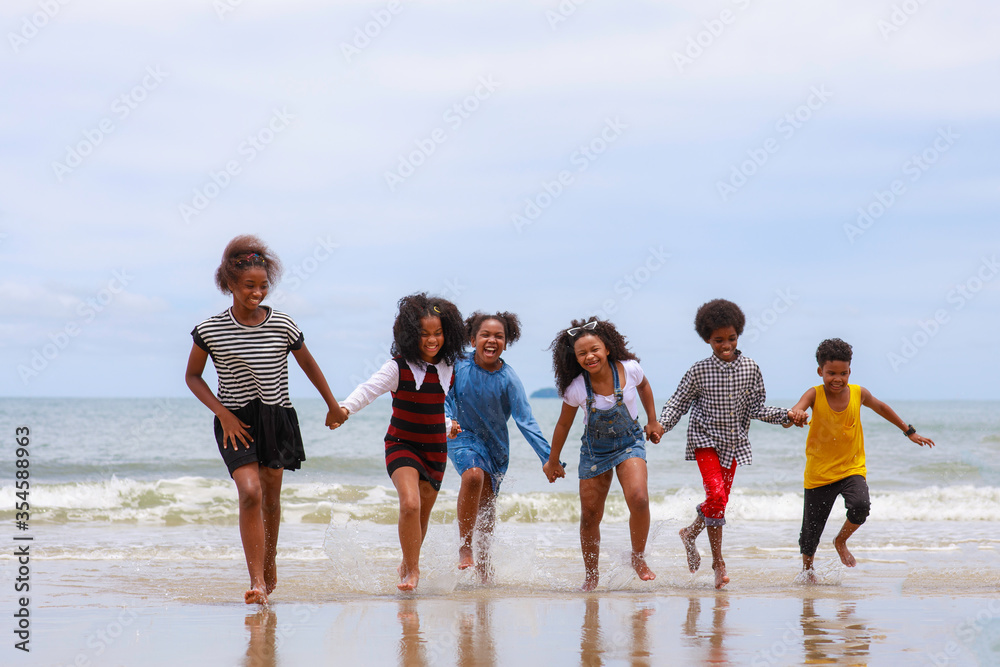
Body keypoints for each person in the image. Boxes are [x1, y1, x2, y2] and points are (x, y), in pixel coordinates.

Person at [185, 235, 347, 605]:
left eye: (262, 286)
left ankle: (269, 563)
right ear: (229, 284)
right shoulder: (210, 330)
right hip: (235, 420)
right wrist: (222, 413)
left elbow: (308, 363)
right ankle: (257, 580)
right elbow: (192, 376)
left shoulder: (282, 325)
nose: (257, 293)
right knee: (250, 493)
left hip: (277, 417)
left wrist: (332, 405)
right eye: (248, 286)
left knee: (271, 499)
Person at [658, 298, 806, 589]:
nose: (725, 344)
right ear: (706, 339)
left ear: (739, 334)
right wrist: (661, 426)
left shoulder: (751, 368)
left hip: (733, 444)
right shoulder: (698, 371)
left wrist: (786, 415)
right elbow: (678, 403)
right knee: (715, 495)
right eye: (717, 340)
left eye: (731, 338)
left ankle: (689, 533)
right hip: (704, 441)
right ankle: (718, 563)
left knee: (719, 502)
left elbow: (757, 408)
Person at [340, 293, 465, 591]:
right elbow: (368, 389)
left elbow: (433, 408)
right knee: (410, 505)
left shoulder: (449, 368)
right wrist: (345, 408)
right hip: (401, 444)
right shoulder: (398, 367)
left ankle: (407, 564)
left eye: (438, 333)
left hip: (435, 450)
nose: (432, 340)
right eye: (424, 334)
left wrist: (448, 424)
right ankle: (413, 571)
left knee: (421, 517)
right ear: (410, 335)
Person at [788, 338, 934, 580]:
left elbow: (882, 407)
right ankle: (808, 571)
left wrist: (909, 431)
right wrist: (797, 415)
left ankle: (841, 541)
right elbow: (795, 411)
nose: (837, 378)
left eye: (843, 373)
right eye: (831, 373)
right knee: (811, 532)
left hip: (851, 469)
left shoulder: (858, 393)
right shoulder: (814, 394)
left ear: (849, 371)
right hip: (819, 473)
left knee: (860, 507)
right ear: (820, 371)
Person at [543, 318, 664, 591]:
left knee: (640, 499)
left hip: (629, 443)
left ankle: (638, 558)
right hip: (594, 452)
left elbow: (644, 386)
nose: (589, 356)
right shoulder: (576, 388)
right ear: (576, 358)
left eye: (594, 349)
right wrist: (552, 460)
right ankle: (591, 575)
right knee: (590, 515)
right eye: (582, 353)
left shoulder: (630, 369)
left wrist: (652, 421)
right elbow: (563, 425)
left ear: (607, 348)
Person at [444, 311, 555, 581]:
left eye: (499, 336)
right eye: (485, 335)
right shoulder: (457, 365)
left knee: (487, 507)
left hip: (495, 447)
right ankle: (465, 547)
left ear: (506, 342)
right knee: (472, 476)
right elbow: (444, 396)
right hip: (462, 436)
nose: (492, 340)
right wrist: (447, 421)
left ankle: (484, 565)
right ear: (472, 338)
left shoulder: (509, 379)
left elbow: (526, 421)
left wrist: (548, 458)